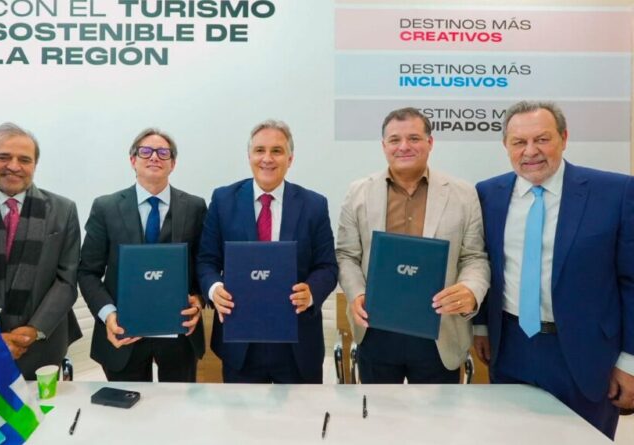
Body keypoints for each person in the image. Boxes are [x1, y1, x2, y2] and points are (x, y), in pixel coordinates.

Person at [474, 101, 634, 439]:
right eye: (519, 142)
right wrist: (481, 326)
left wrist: (629, 361)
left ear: (564, 138)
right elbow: (483, 263)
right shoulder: (488, 194)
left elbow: (631, 282)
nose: (530, 151)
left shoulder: (616, 192)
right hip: (511, 348)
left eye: (542, 139)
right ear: (506, 146)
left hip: (588, 356)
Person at [336, 107, 490, 384]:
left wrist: (470, 289)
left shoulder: (463, 194)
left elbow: (474, 257)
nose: (404, 146)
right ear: (384, 146)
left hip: (439, 330)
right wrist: (357, 292)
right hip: (376, 327)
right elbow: (347, 255)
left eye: (414, 138)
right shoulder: (358, 192)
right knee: (379, 410)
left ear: (430, 142)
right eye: (395, 140)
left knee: (438, 412)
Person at [197, 119, 338, 383]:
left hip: (297, 343)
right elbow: (206, 261)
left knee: (301, 411)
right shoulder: (223, 200)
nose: (267, 159)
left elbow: (327, 266)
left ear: (290, 159)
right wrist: (215, 289)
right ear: (249, 156)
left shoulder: (314, 205)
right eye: (260, 150)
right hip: (240, 342)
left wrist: (311, 292)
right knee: (240, 412)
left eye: (277, 151)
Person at [78, 128, 206, 382]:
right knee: (127, 406)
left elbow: (204, 263)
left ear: (173, 163)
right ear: (132, 160)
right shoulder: (105, 207)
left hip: (179, 334)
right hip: (122, 332)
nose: (154, 157)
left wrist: (199, 299)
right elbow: (88, 272)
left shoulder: (195, 207)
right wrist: (108, 314)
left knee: (178, 405)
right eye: (145, 151)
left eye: (163, 152)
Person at [0, 123, 82, 380]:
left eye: (24, 160)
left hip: (40, 345)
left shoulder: (63, 210)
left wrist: (34, 330)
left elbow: (66, 280)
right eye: (3, 157)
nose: (14, 166)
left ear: (35, 164)